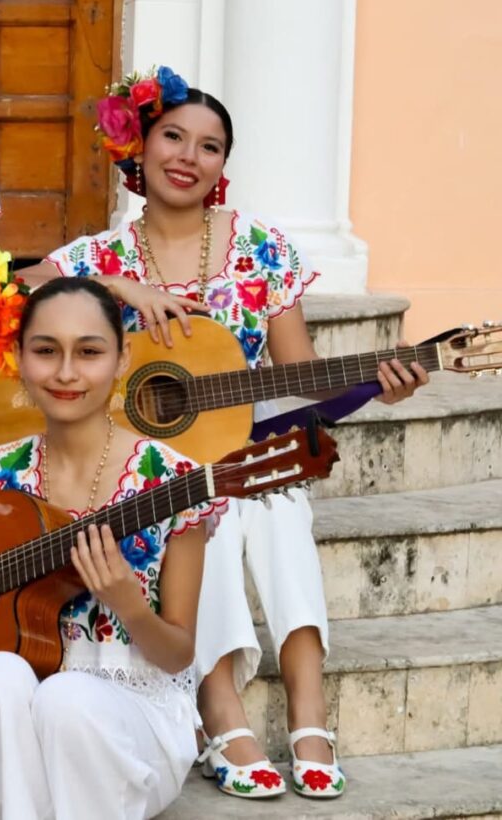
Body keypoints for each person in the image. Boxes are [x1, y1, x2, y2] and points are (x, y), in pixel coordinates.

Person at [23, 66, 428, 798]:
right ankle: (221, 709)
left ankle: (309, 706)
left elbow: (300, 375)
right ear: (138, 148)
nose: (188, 155)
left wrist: (378, 386)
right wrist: (118, 289)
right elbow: (4, 283)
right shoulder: (97, 257)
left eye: (210, 147)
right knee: (195, 501)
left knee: (269, 496)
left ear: (222, 168)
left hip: (238, 435)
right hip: (130, 460)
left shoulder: (260, 248)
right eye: (173, 136)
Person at [0, 268, 222, 820]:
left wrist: (129, 604)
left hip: (135, 714)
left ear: (121, 362)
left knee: (67, 701)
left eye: (89, 352)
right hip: (23, 731)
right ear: (19, 358)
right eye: (46, 351)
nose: (67, 372)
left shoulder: (173, 482)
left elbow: (177, 653)